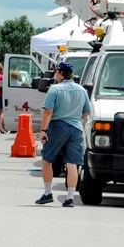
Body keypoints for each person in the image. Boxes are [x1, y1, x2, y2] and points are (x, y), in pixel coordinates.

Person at [36, 62, 91, 207]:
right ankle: (70, 198)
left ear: (60, 73)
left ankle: (47, 193)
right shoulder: (81, 90)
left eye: (56, 71)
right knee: (72, 163)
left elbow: (48, 111)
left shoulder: (55, 89)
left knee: (47, 159)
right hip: (76, 128)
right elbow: (87, 111)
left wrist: (43, 130)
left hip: (58, 126)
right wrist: (76, 118)